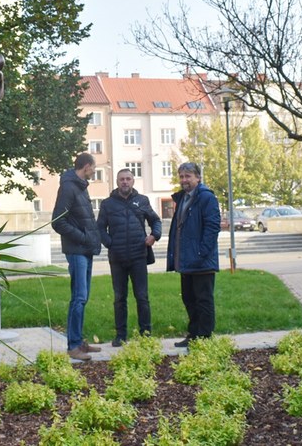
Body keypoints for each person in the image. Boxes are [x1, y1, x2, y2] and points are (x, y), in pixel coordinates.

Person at [97, 168, 162, 347]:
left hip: (138, 256)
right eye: (121, 179)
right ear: (117, 182)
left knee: (142, 297)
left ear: (133, 181)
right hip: (117, 258)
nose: (125, 182)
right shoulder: (107, 204)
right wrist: (111, 243)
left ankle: (146, 334)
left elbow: (156, 221)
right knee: (119, 298)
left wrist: (154, 235)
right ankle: (120, 335)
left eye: (128, 179)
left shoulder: (142, 201)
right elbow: (100, 228)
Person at [52, 152, 102, 361]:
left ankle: (79, 341)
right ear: (87, 166)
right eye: (94, 167)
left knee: (83, 297)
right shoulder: (69, 187)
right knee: (79, 298)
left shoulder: (80, 187)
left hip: (86, 249)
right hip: (77, 250)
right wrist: (82, 237)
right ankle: (73, 346)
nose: (94, 171)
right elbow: (58, 221)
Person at [166, 162, 221, 348]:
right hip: (186, 260)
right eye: (181, 176)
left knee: (203, 300)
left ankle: (204, 338)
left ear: (198, 178)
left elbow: (212, 227)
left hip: (201, 261)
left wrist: (201, 252)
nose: (184, 180)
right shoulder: (182, 198)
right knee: (189, 298)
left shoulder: (206, 198)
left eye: (188, 176)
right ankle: (194, 334)